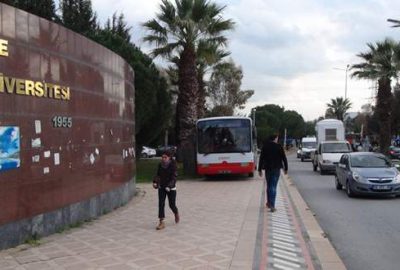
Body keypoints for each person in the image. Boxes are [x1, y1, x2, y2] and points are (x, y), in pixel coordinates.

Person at [258, 134, 288, 212]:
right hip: (276, 169)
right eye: (277, 138)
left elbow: (261, 158)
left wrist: (259, 169)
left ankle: (268, 202)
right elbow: (284, 158)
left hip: (268, 169)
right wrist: (286, 168)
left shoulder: (265, 147)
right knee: (273, 186)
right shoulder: (279, 146)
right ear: (275, 139)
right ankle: (272, 205)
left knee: (269, 185)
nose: (277, 140)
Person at [153, 150, 179, 230]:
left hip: (171, 188)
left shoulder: (173, 165)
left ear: (169, 157)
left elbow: (174, 177)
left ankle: (176, 212)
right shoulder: (160, 165)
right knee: (161, 203)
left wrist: (169, 186)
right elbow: (158, 175)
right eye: (162, 157)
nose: (163, 159)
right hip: (162, 187)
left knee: (172, 205)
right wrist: (155, 182)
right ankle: (161, 222)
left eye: (165, 157)